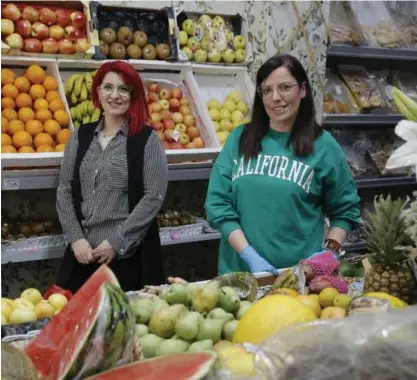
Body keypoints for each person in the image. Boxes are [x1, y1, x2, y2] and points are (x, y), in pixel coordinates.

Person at [205, 54, 360, 275]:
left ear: (303, 90)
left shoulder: (324, 146)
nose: (275, 97)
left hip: (301, 277)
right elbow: (217, 204)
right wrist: (247, 253)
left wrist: (330, 252)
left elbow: (345, 211)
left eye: (285, 87)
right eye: (266, 90)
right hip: (240, 276)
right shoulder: (240, 139)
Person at [56, 60, 168, 293]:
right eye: (108, 87)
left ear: (133, 95)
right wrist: (76, 239)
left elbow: (153, 197)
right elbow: (65, 189)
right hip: (82, 256)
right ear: (98, 92)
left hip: (127, 259)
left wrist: (116, 242)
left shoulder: (146, 139)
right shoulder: (80, 136)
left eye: (123, 89)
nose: (115, 95)